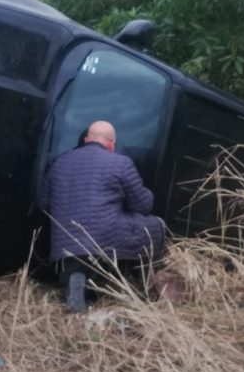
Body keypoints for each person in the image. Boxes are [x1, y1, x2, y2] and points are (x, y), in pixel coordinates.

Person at [39, 120, 166, 312]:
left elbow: (44, 203)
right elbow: (143, 205)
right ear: (112, 143)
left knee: (82, 252)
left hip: (65, 240)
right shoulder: (120, 163)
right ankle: (141, 288)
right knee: (156, 227)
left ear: (86, 139)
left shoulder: (59, 162)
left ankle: (78, 275)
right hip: (103, 237)